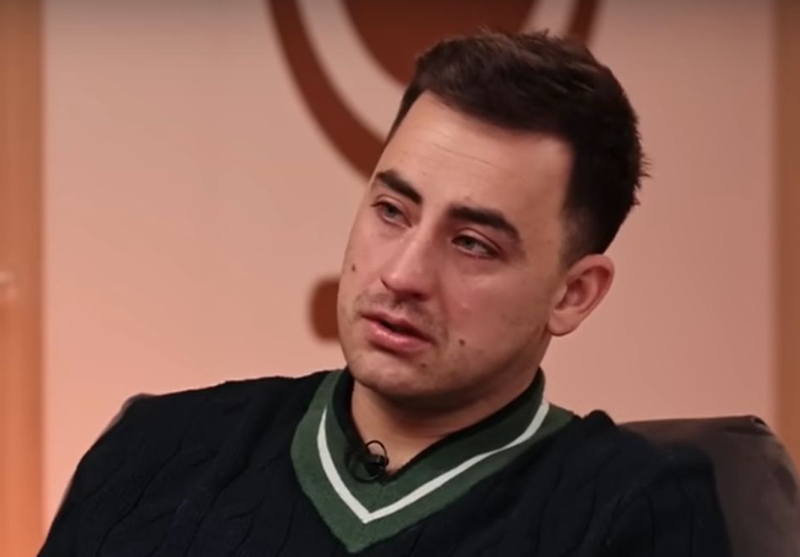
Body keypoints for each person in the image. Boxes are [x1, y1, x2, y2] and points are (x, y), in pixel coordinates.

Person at [39, 31, 731, 556]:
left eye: (472, 243)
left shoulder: (634, 509)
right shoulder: (155, 447)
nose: (402, 274)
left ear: (574, 293)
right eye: (393, 211)